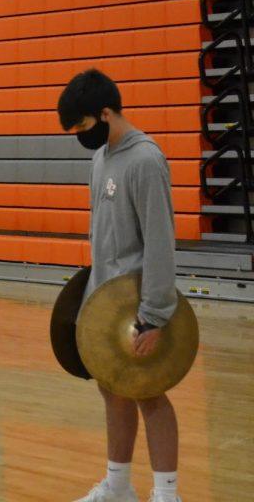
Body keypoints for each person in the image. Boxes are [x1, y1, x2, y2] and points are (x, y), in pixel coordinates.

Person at [59, 69, 183, 502]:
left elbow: (160, 243)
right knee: (111, 389)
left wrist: (154, 315)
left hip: (138, 308)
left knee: (150, 395)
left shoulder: (146, 159)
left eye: (81, 125)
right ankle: (117, 485)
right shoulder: (100, 158)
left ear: (106, 112)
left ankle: (167, 494)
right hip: (105, 304)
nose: (78, 135)